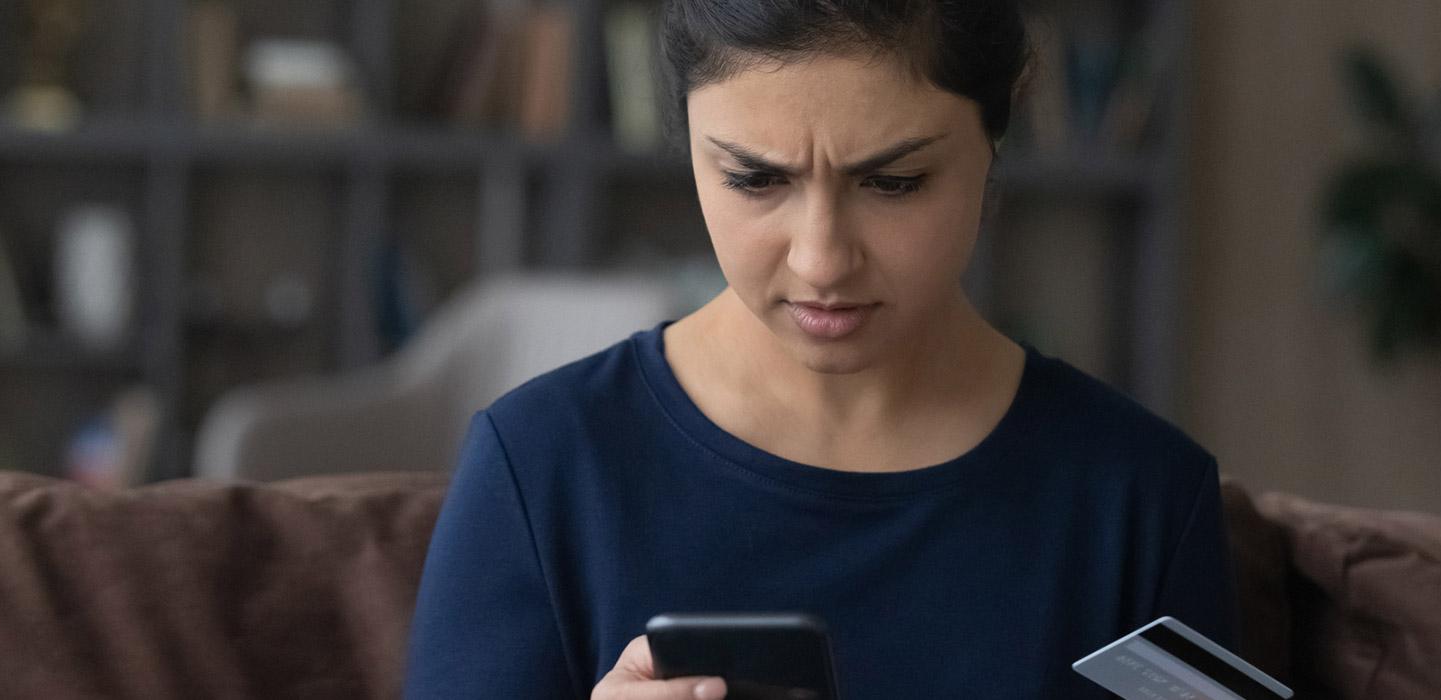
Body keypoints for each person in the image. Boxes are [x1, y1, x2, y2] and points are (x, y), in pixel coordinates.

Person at [403, 1, 1237, 697]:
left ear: (997, 136)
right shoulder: (541, 468)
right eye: (755, 181)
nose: (822, 260)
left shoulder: (1143, 501)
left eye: (894, 182)